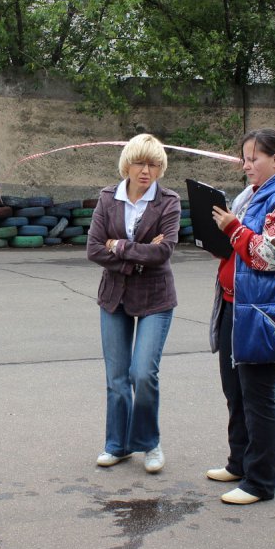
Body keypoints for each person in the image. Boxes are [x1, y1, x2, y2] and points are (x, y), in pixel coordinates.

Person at [207, 128, 275, 505]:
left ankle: (260, 482)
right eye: (244, 158)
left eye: (254, 158)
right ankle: (239, 462)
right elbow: (241, 247)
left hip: (268, 314)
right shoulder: (253, 195)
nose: (246, 165)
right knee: (234, 391)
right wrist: (218, 235)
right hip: (236, 305)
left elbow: (271, 255)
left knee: (258, 396)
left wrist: (232, 229)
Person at [87, 133, 181, 474]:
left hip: (156, 298)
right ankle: (118, 445)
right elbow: (94, 248)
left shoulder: (168, 201)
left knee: (142, 373)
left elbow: (164, 251)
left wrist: (120, 246)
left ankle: (149, 443)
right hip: (114, 297)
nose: (146, 171)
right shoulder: (108, 197)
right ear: (127, 163)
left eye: (154, 164)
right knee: (116, 377)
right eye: (140, 163)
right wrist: (137, 256)